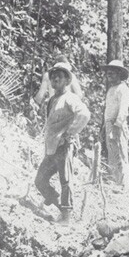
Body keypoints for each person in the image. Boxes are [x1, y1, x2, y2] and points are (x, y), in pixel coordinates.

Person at [33, 62, 91, 223]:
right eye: (53, 77)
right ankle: (59, 205)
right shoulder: (52, 100)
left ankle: (66, 216)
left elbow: (84, 114)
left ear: (67, 80)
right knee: (40, 180)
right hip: (52, 147)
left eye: (59, 76)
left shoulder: (70, 98)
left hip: (64, 145)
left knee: (65, 180)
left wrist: (69, 132)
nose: (55, 79)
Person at [103, 59, 129, 189]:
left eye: (112, 72)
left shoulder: (123, 89)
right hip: (109, 124)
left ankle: (124, 185)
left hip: (117, 125)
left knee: (121, 154)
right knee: (112, 154)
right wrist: (105, 127)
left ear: (119, 73)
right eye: (108, 73)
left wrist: (117, 125)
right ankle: (115, 182)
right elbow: (107, 110)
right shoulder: (111, 90)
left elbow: (123, 110)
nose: (109, 75)